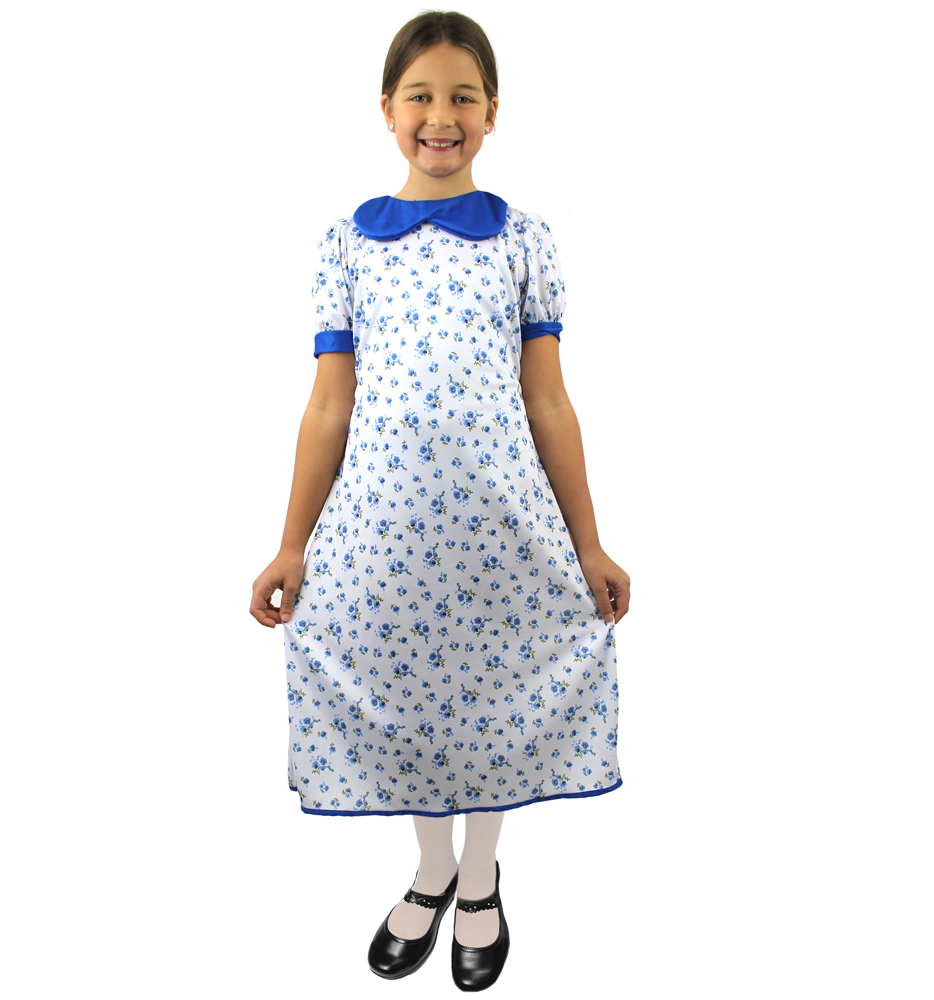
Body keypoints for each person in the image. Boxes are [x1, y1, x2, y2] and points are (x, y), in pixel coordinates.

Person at [250, 10, 631, 992]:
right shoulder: (347, 244)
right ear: (386, 109)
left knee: (496, 701)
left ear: (493, 113)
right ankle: (430, 869)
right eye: (420, 96)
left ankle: (480, 877)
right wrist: (291, 544)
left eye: (463, 97)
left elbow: (548, 400)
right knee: (411, 707)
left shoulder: (524, 240)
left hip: (505, 536)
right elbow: (328, 405)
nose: (440, 116)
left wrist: (589, 543)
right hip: (383, 540)